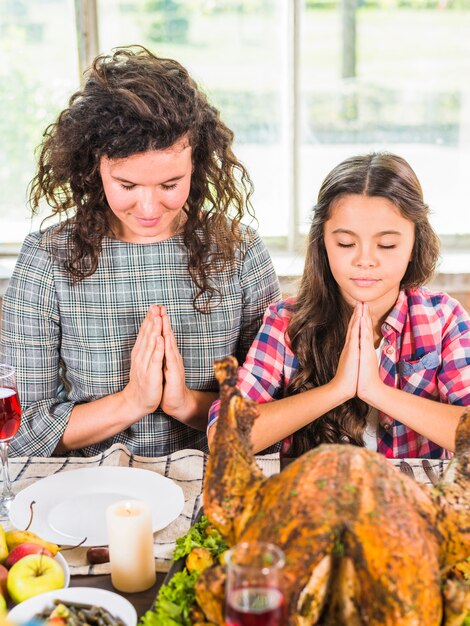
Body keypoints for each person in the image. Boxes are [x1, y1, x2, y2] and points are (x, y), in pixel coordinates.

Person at [0, 46, 281, 457]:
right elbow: (21, 431)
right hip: (92, 490)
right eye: (127, 186)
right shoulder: (47, 259)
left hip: (214, 480)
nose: (148, 209)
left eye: (170, 184)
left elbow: (274, 414)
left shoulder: (241, 251)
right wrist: (132, 402)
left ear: (196, 164)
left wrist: (183, 403)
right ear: (94, 167)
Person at [208, 152, 470, 459]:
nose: (365, 259)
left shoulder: (444, 319)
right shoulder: (285, 323)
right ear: (323, 243)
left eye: (387, 244)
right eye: (346, 243)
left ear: (415, 244)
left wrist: (377, 392)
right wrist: (338, 388)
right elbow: (223, 436)